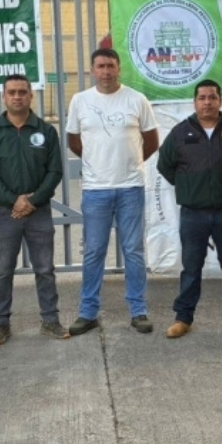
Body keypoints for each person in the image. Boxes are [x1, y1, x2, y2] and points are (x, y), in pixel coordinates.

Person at [156, 79, 222, 339]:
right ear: (194, 102)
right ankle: (183, 318)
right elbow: (165, 165)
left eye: (212, 97)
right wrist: (189, 186)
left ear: (220, 101)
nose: (207, 102)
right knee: (191, 269)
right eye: (202, 98)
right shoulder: (180, 132)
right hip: (193, 213)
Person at [65, 48, 158, 336]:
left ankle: (138, 311)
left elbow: (151, 140)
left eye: (110, 66)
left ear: (119, 68)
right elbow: (74, 141)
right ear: (92, 70)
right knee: (94, 251)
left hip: (130, 187)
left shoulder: (136, 99)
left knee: (133, 251)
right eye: (101, 66)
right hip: (96, 190)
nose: (106, 71)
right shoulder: (80, 101)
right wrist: (96, 163)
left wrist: (131, 163)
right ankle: (88, 312)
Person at [0, 74, 68, 345]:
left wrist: (32, 201)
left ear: (31, 95)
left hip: (38, 211)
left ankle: (50, 320)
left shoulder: (46, 131)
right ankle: (0, 324)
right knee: (3, 270)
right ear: (4, 96)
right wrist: (13, 201)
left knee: (45, 269)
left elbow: (54, 171)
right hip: (5, 213)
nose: (17, 96)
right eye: (12, 92)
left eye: (22, 92)